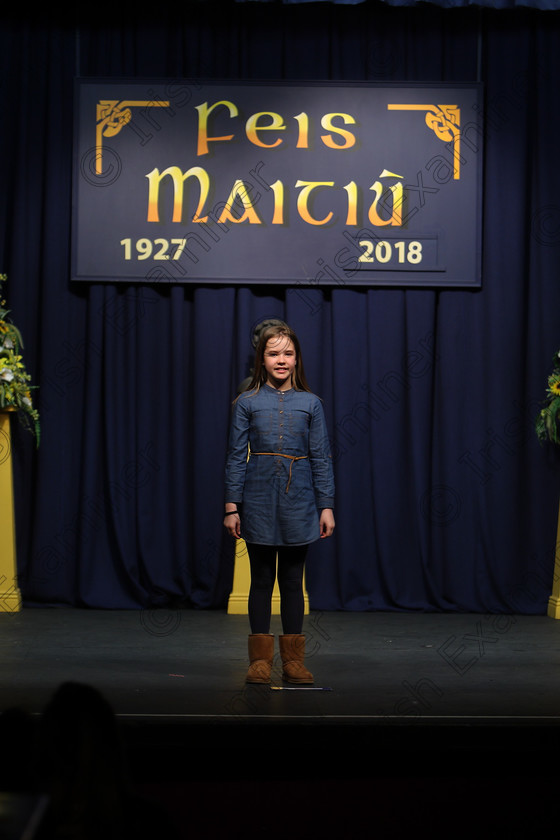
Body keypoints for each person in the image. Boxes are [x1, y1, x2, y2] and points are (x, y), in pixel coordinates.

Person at [224, 323, 335, 685]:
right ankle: (259, 662)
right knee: (260, 581)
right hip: (256, 497)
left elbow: (321, 457)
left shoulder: (311, 403)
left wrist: (326, 505)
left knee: (291, 580)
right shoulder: (248, 402)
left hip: (300, 498)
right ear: (262, 358)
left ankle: (292, 662)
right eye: (273, 353)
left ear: (297, 358)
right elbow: (235, 455)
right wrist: (231, 506)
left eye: (288, 353)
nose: (281, 360)